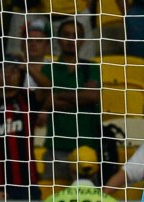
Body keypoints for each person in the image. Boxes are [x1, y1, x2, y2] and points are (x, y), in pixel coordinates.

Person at [38, 19, 101, 182]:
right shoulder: (47, 69)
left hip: (87, 147)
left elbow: (93, 96)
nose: (71, 39)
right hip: (57, 145)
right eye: (66, 35)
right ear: (58, 39)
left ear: (82, 41)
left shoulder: (91, 67)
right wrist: (81, 97)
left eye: (76, 35)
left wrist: (59, 95)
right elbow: (46, 103)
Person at [0, 57, 40, 202]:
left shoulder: (28, 100)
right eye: (3, 70)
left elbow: (48, 87)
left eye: (13, 70)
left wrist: (27, 66)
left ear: (20, 75)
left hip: (26, 185)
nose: (8, 74)